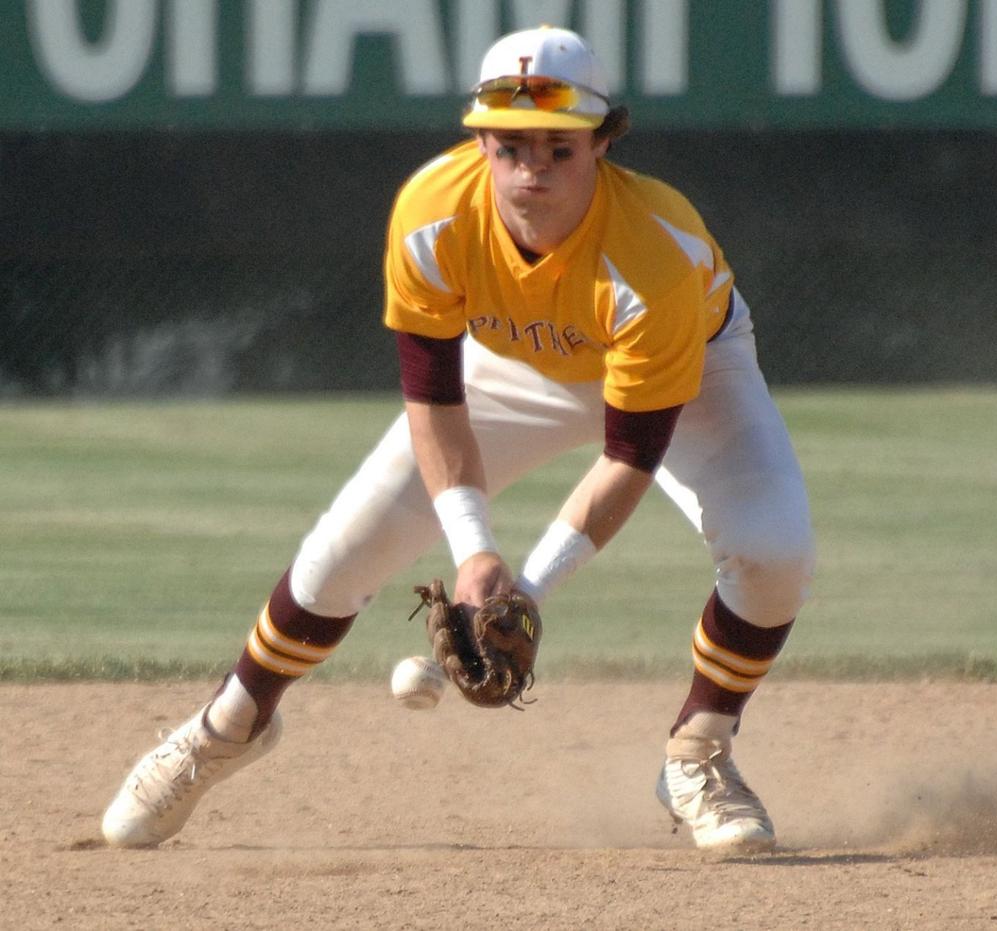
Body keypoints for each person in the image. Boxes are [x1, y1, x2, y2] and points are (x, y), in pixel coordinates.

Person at [101, 25, 815, 853]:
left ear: (603, 141)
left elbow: (627, 458)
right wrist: (476, 555)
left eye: (559, 147)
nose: (532, 169)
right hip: (515, 362)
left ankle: (698, 752)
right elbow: (436, 403)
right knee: (343, 552)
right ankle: (227, 726)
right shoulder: (432, 215)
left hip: (695, 369)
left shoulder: (655, 254)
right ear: (479, 142)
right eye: (510, 146)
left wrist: (527, 592)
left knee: (774, 551)